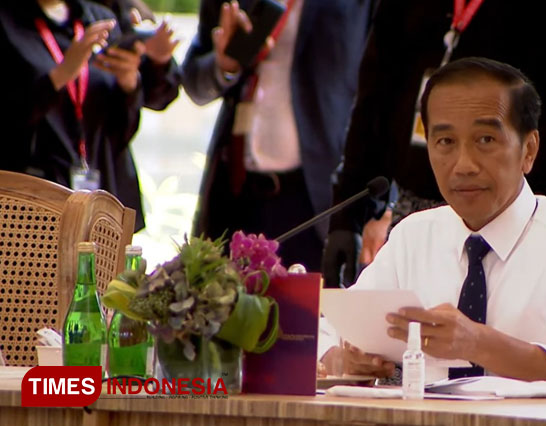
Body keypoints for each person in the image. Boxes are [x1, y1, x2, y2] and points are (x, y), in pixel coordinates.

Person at [320, 58, 546, 397]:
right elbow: (329, 332)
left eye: (485, 140)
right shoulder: (414, 236)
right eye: (445, 142)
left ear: (529, 150)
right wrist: (344, 359)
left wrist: (477, 342)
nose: (463, 165)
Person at [322, 0, 546, 288]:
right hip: (420, 198)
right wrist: (348, 215)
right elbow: (375, 94)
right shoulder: (411, 236)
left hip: (536, 197)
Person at [183, 0, 371, 269]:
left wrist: (380, 205)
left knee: (313, 308)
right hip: (234, 192)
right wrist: (224, 65)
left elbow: (385, 96)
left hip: (319, 198)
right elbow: (192, 82)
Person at [0, 0, 148, 230]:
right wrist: (60, 75)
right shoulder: (8, 21)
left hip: (104, 197)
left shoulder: (100, 18)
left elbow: (122, 129)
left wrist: (129, 82)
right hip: (29, 210)